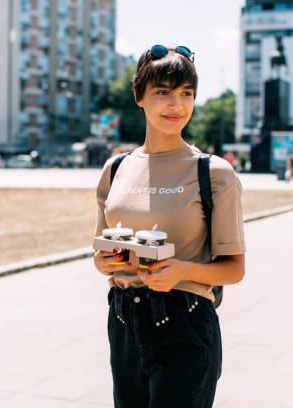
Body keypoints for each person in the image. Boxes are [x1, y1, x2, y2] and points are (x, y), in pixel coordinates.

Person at [93, 45, 246, 408]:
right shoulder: (115, 169)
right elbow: (100, 254)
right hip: (124, 320)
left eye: (186, 93)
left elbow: (235, 269)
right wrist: (103, 263)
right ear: (139, 97)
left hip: (186, 323)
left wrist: (181, 272)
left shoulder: (213, 172)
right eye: (163, 92)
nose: (176, 104)